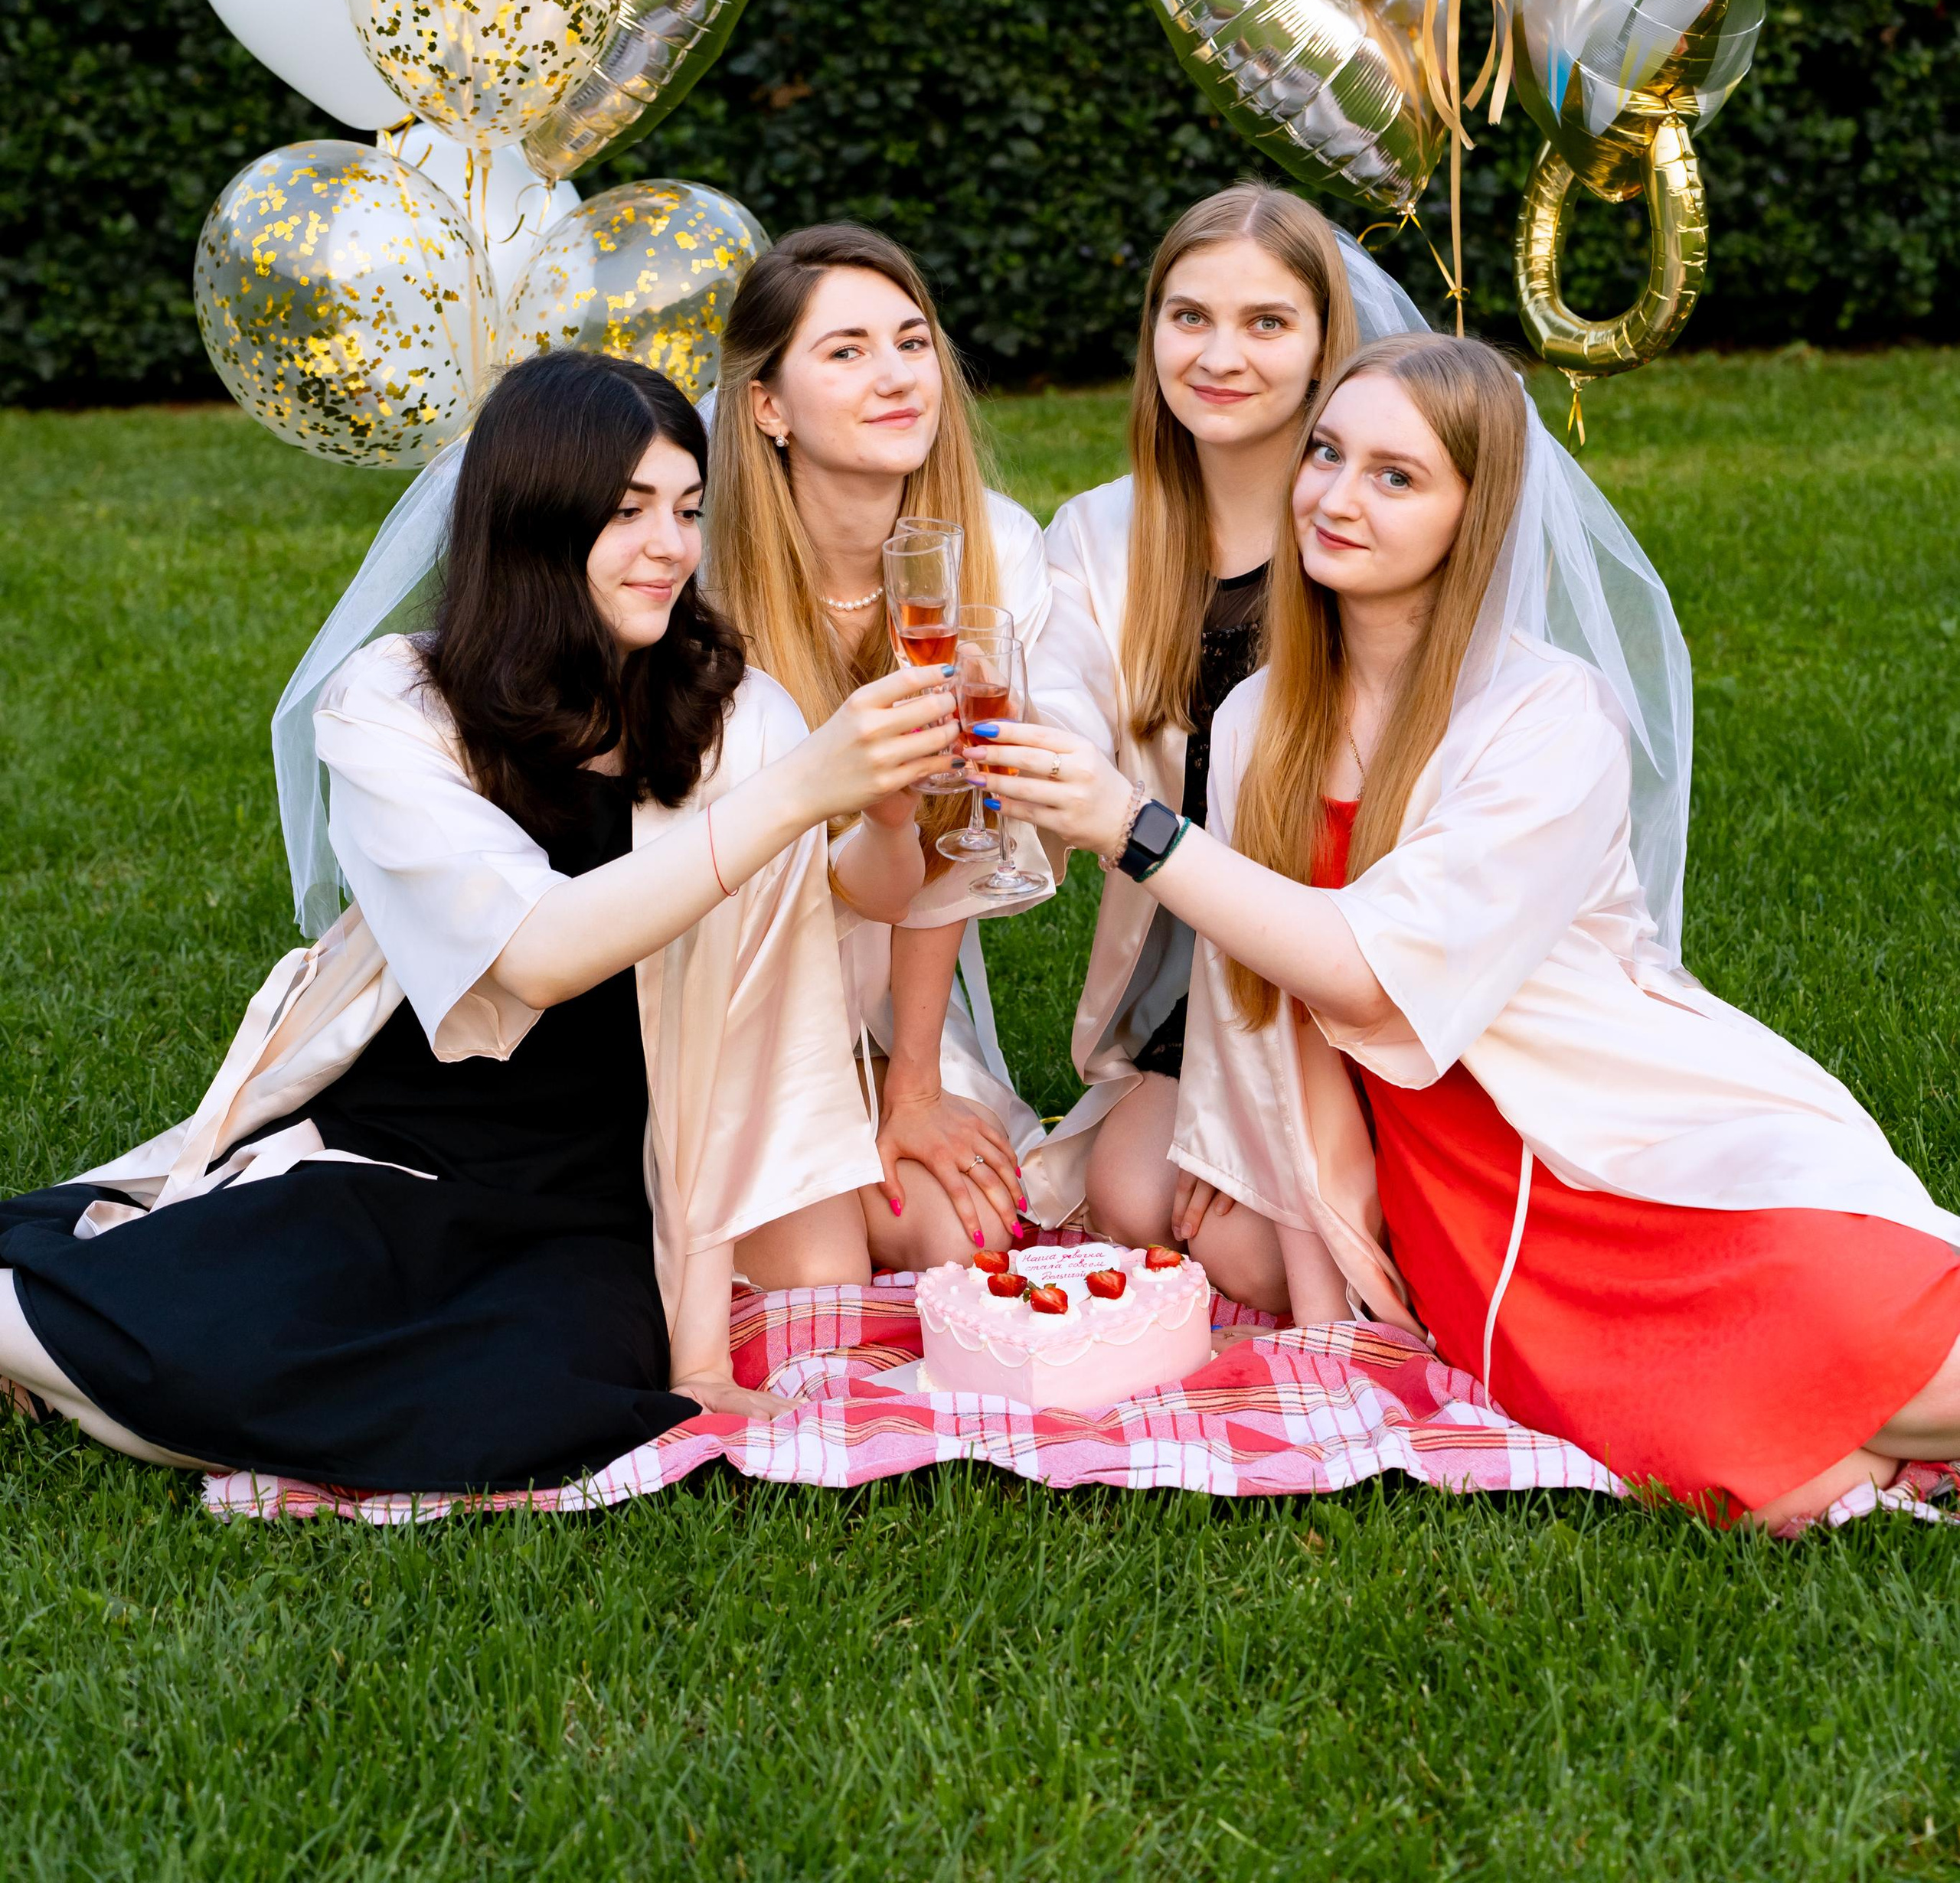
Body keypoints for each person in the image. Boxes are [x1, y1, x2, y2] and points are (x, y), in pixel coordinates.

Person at [973, 331, 1960, 1528]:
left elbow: (1364, 975)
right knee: (1717, 1454)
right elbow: (1268, 1012)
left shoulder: (1547, 716)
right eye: (1327, 454)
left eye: (1396, 476)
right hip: (1458, 1196)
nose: (1337, 497)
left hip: (1618, 1138)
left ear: (1473, 516)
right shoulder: (1257, 722)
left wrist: (1136, 830)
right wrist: (1308, 1260)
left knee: (1881, 1347)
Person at [0, 353, 961, 1491]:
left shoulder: (736, 712)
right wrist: (804, 789)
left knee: (548, 1406)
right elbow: (540, 954)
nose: (670, 546)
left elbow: (766, 1000)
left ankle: (74, 1369)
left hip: (595, 1190)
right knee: (231, 1334)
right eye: (626, 512)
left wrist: (701, 1355)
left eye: (688, 509)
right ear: (534, 524)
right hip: (407, 1150)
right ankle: (43, 1331)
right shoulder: (398, 705)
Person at [1021, 184, 1422, 1279]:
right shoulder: (1100, 532)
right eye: (1189, 316)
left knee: (1256, 1251)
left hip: (1356, 960)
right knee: (1133, 1194)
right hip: (1202, 962)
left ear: (1325, 344)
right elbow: (1058, 693)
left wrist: (1260, 1099)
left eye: (1266, 323)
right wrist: (1048, 750)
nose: (1220, 356)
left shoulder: (1362, 529)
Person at [707, 222, 1050, 1272]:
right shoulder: (701, 582)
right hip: (727, 993)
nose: (897, 375)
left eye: (911, 341)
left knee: (964, 1234)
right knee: (823, 1271)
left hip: (883, 984)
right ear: (768, 407)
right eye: (846, 351)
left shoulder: (997, 550)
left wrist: (914, 1085)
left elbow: (958, 836)